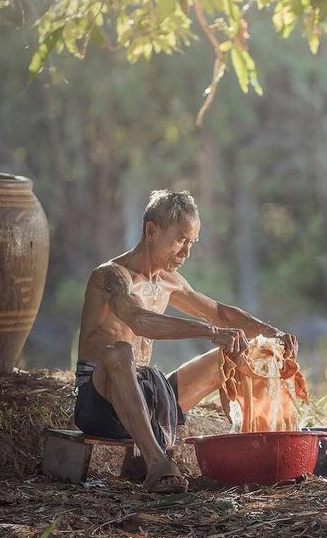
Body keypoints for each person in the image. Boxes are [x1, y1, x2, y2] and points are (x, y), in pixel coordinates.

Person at [73, 189, 298, 493]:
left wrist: (272, 333)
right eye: (180, 240)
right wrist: (209, 332)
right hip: (100, 401)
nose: (186, 253)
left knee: (233, 355)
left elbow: (218, 311)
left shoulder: (169, 281)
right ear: (151, 231)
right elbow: (139, 321)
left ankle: (258, 457)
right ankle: (156, 464)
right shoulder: (112, 276)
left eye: (192, 243)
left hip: (145, 396)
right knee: (120, 352)